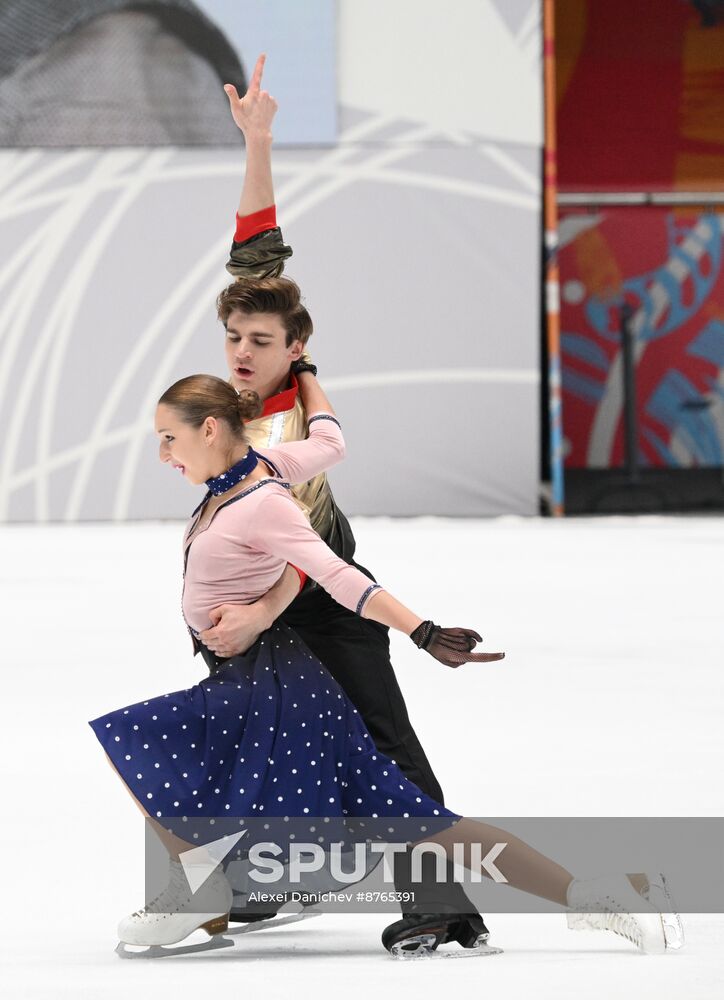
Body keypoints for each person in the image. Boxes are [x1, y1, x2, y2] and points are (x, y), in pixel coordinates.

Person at [89, 371, 681, 958]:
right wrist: (309, 377)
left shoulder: (262, 501)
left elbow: (341, 578)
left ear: (210, 428)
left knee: (135, 736)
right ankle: (603, 895)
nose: (163, 453)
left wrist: (422, 631)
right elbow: (329, 443)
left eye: (169, 437)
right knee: (426, 824)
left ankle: (201, 885)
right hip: (264, 678)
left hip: (276, 688)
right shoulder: (253, 470)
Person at [195, 53, 496, 953]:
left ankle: (443, 900)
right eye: (234, 338)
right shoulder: (237, 401)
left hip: (318, 594)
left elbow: (303, 555)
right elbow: (259, 245)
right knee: (249, 739)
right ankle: (263, 878)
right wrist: (258, 141)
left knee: (380, 742)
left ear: (295, 347)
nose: (242, 350)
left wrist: (254, 615)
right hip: (256, 587)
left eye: (261, 340)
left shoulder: (287, 433)